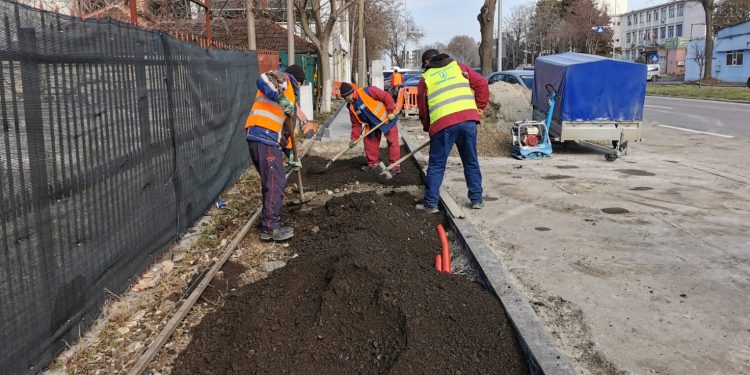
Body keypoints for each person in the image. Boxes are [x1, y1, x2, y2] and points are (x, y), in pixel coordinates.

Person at [415, 49, 489, 214]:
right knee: (470, 161)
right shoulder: (460, 68)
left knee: (436, 165)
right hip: (468, 121)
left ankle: (431, 204)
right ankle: (477, 199)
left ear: (427, 63)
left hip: (443, 125)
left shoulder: (426, 79)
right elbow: (482, 84)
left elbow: (423, 110)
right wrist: (479, 107)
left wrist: (429, 128)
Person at [245, 64, 309, 241]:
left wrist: (291, 156)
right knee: (275, 183)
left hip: (263, 138)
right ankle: (270, 228)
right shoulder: (284, 79)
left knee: (271, 181)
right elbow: (263, 79)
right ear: (299, 81)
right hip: (263, 135)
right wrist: (281, 99)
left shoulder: (291, 101)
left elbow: (287, 132)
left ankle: (268, 221)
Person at [339, 82, 401, 173]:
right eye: (344, 98)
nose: (346, 100)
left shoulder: (368, 91)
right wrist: (354, 139)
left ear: (351, 93)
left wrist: (390, 111)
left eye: (346, 97)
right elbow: (356, 125)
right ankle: (372, 165)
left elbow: (386, 96)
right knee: (369, 142)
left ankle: (395, 167)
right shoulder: (351, 106)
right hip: (372, 124)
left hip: (387, 118)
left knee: (393, 142)